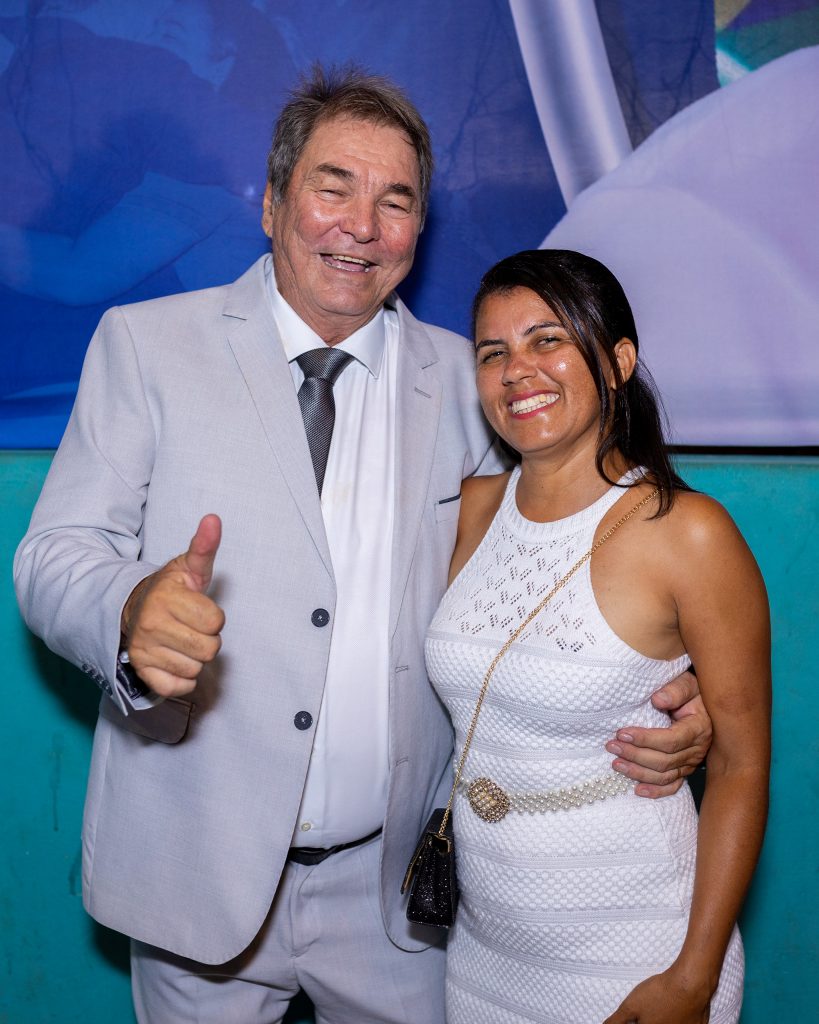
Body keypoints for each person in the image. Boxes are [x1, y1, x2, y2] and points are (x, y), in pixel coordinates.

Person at [14, 69, 710, 1024]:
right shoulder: (147, 345)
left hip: (399, 892)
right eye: (333, 186)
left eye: (396, 200)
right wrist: (129, 613)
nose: (362, 226)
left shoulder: (475, 379)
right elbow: (56, 553)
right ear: (272, 202)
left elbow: (569, 555)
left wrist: (667, 688)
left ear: (419, 229)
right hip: (195, 870)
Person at [426, 248, 770, 1023]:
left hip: (637, 951)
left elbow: (742, 767)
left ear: (617, 361)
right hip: (480, 952)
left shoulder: (687, 532)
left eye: (546, 339)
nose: (517, 370)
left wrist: (692, 978)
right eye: (492, 352)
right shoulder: (471, 508)